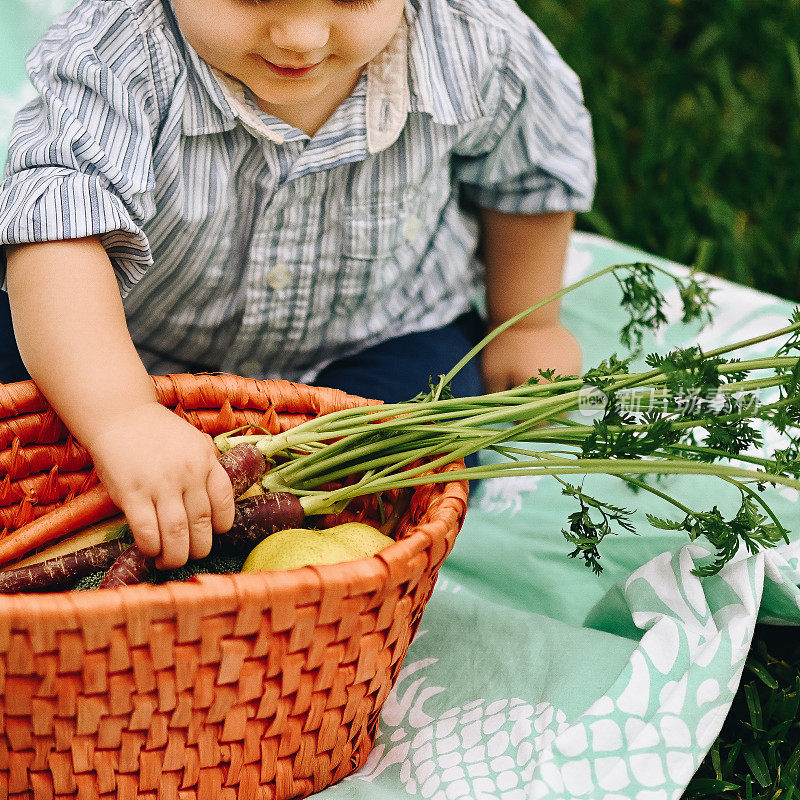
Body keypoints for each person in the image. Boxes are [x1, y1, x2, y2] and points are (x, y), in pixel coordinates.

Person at [0, 0, 595, 569]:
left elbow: (528, 171)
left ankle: (291, 551)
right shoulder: (117, 51)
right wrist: (122, 416)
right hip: (130, 339)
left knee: (416, 446)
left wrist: (529, 322)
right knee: (28, 418)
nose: (302, 36)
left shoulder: (474, 37)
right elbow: (59, 233)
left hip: (377, 330)